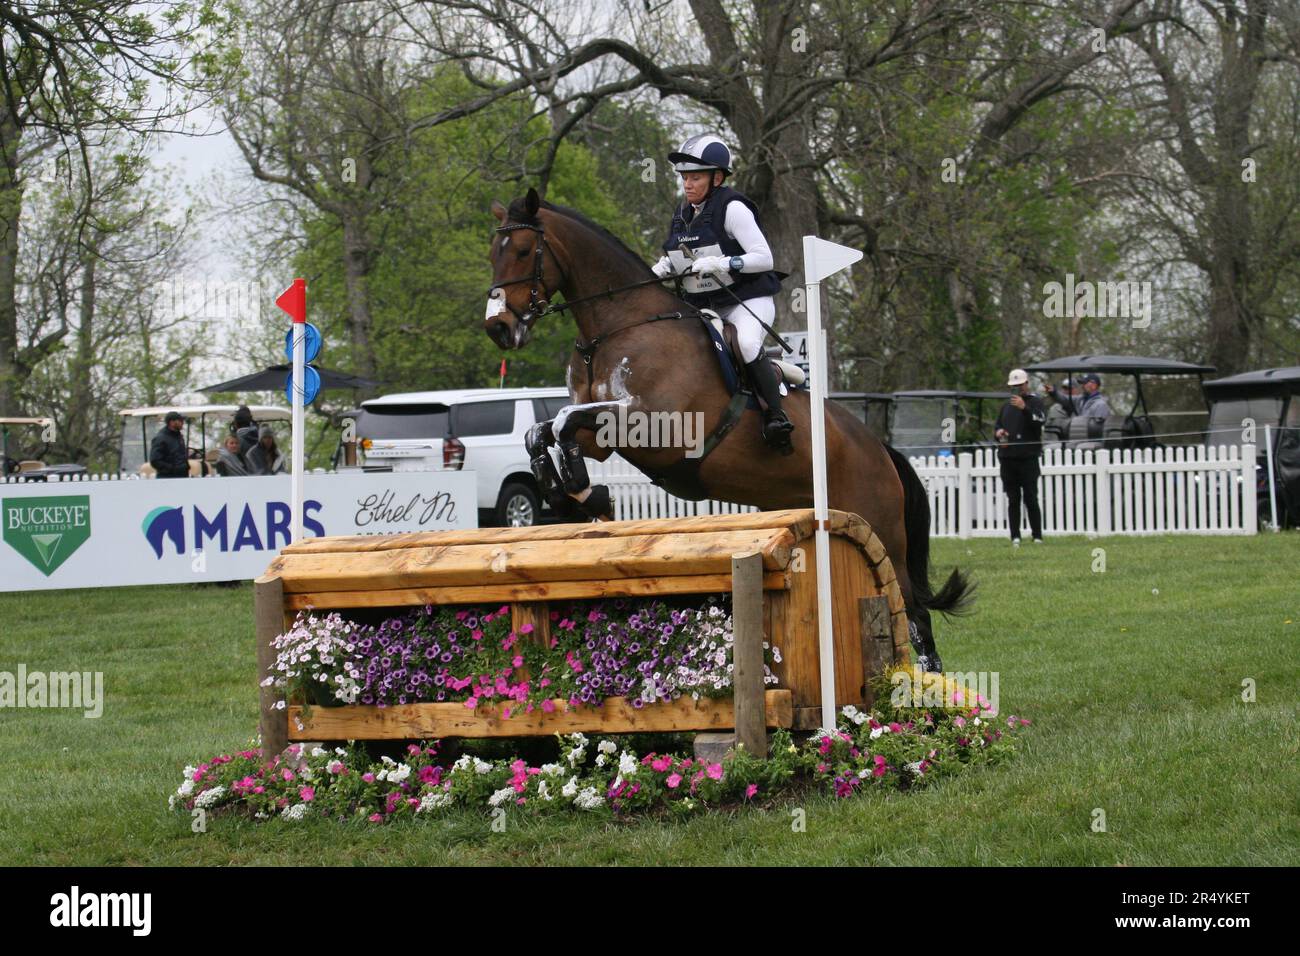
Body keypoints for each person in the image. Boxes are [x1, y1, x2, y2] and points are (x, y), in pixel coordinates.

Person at [650, 134, 792, 452]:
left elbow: (765, 258)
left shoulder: (733, 208)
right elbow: (680, 253)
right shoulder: (682, 213)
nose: (687, 184)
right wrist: (660, 269)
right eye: (684, 177)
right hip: (705, 303)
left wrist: (725, 262)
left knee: (746, 342)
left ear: (716, 177)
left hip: (746, 300)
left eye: (695, 177)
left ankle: (777, 416)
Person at [994, 369, 1046, 546]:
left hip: (1028, 458)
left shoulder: (1036, 402)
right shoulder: (1006, 407)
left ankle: (1037, 535)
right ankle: (1015, 535)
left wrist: (1024, 408)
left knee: (1031, 497)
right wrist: (999, 433)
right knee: (1013, 498)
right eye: (1014, 386)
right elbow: (998, 426)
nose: (1017, 388)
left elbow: (1039, 421)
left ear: (1026, 384)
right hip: (1008, 458)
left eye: (1020, 385)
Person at [149, 411, 190, 479]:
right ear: (171, 422)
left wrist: (185, 467)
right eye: (180, 420)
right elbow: (155, 461)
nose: (182, 423)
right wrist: (173, 469)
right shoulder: (160, 438)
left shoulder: (178, 436)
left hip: (182, 476)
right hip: (167, 478)